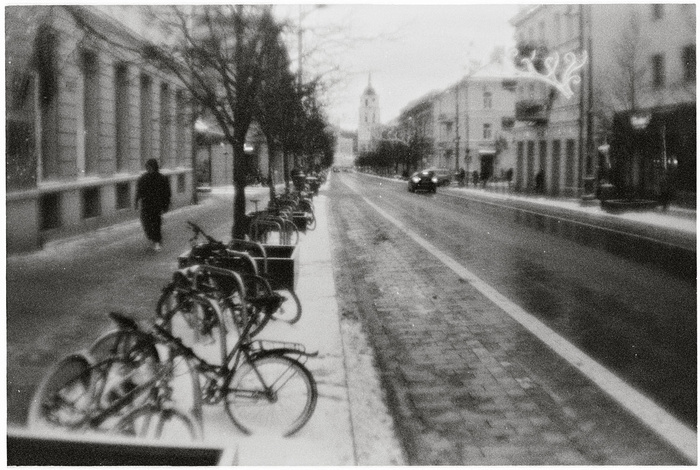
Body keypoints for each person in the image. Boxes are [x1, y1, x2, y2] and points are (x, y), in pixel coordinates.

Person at [135, 158, 171, 251]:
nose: (148, 169)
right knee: (146, 223)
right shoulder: (143, 178)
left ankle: (157, 241)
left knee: (156, 224)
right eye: (147, 167)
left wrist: (166, 205)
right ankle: (152, 238)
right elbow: (139, 191)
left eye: (150, 167)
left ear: (155, 167)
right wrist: (136, 201)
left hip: (156, 205)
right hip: (146, 205)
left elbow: (167, 193)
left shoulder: (162, 178)